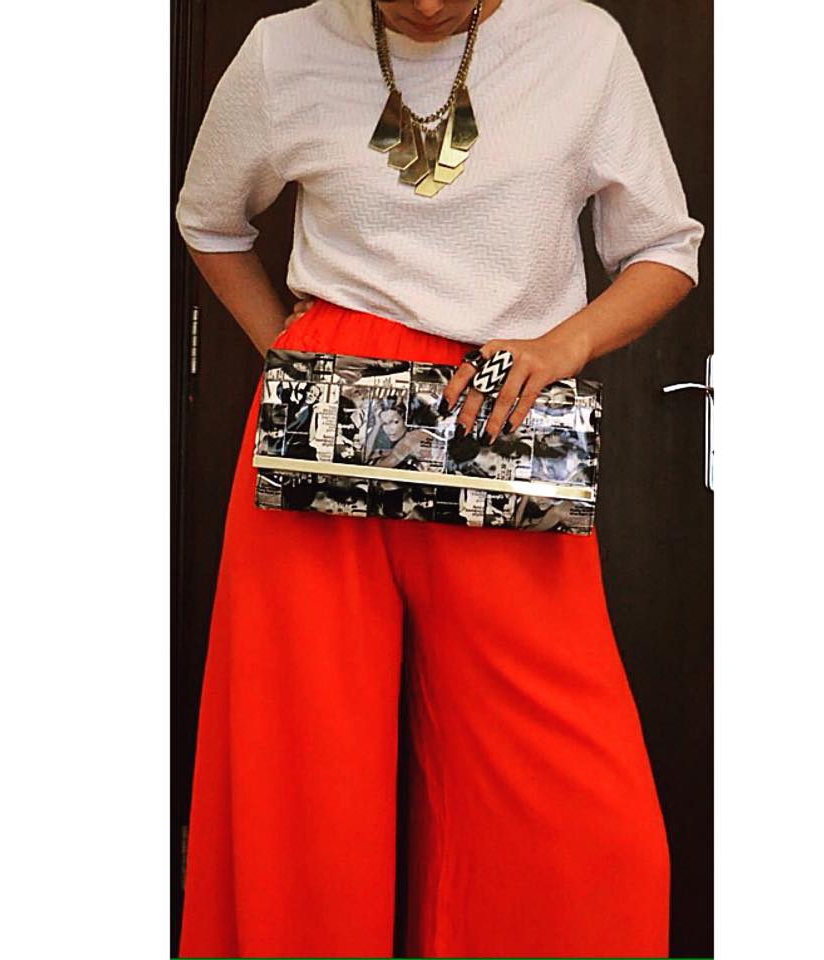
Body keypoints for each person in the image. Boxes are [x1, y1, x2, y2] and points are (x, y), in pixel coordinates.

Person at [174, 1, 704, 958]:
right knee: (300, 754)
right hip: (326, 418)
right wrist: (288, 351)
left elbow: (665, 247)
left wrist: (565, 343)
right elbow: (208, 220)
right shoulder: (285, 47)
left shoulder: (581, 42)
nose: (423, 7)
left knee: (564, 781)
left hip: (503, 415)